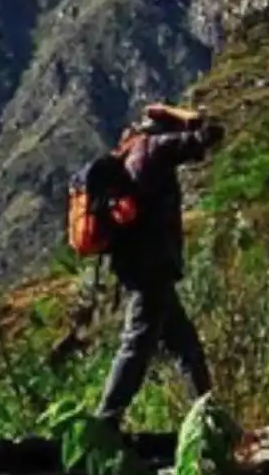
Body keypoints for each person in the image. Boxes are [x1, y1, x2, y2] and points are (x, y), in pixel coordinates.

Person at [95, 104, 224, 427]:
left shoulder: (129, 151)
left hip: (137, 267)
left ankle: (207, 417)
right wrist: (177, 113)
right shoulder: (157, 147)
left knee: (186, 347)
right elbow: (211, 133)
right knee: (137, 346)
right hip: (152, 267)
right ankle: (106, 422)